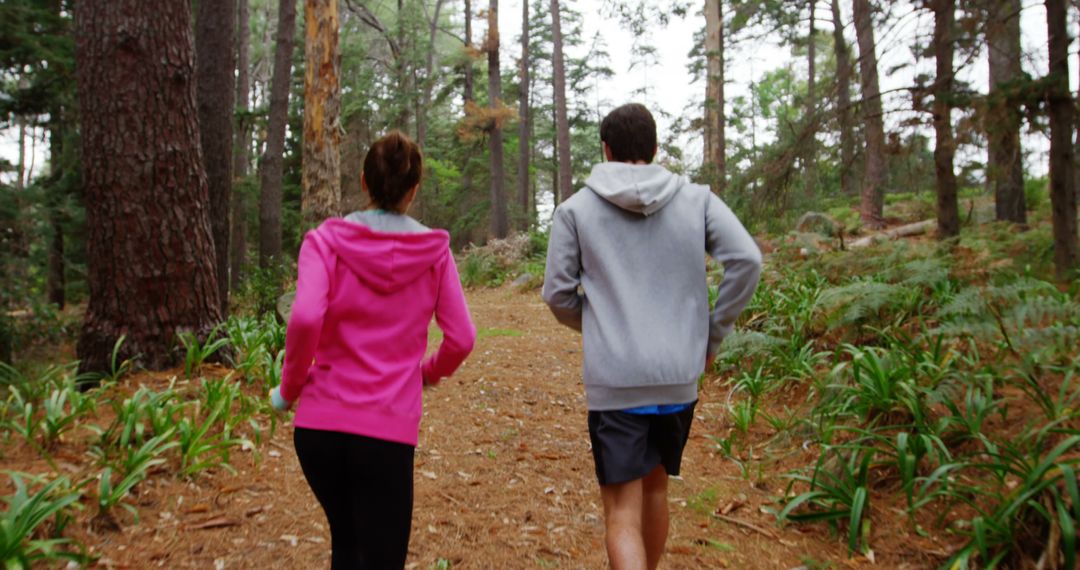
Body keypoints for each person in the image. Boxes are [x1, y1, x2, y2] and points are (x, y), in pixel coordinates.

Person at [542, 103, 762, 570]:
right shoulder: (696, 199)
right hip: (677, 377)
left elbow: (558, 295)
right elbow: (747, 260)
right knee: (657, 489)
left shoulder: (575, 209)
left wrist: (603, 327)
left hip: (616, 381)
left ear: (606, 149)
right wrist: (711, 335)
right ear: (655, 147)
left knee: (622, 512)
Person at [269, 131, 476, 569]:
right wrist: (428, 372)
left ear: (364, 181)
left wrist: (289, 391)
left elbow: (305, 318)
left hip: (320, 432)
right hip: (386, 433)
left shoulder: (325, 242)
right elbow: (461, 339)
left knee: (346, 544)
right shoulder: (433, 252)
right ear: (414, 190)